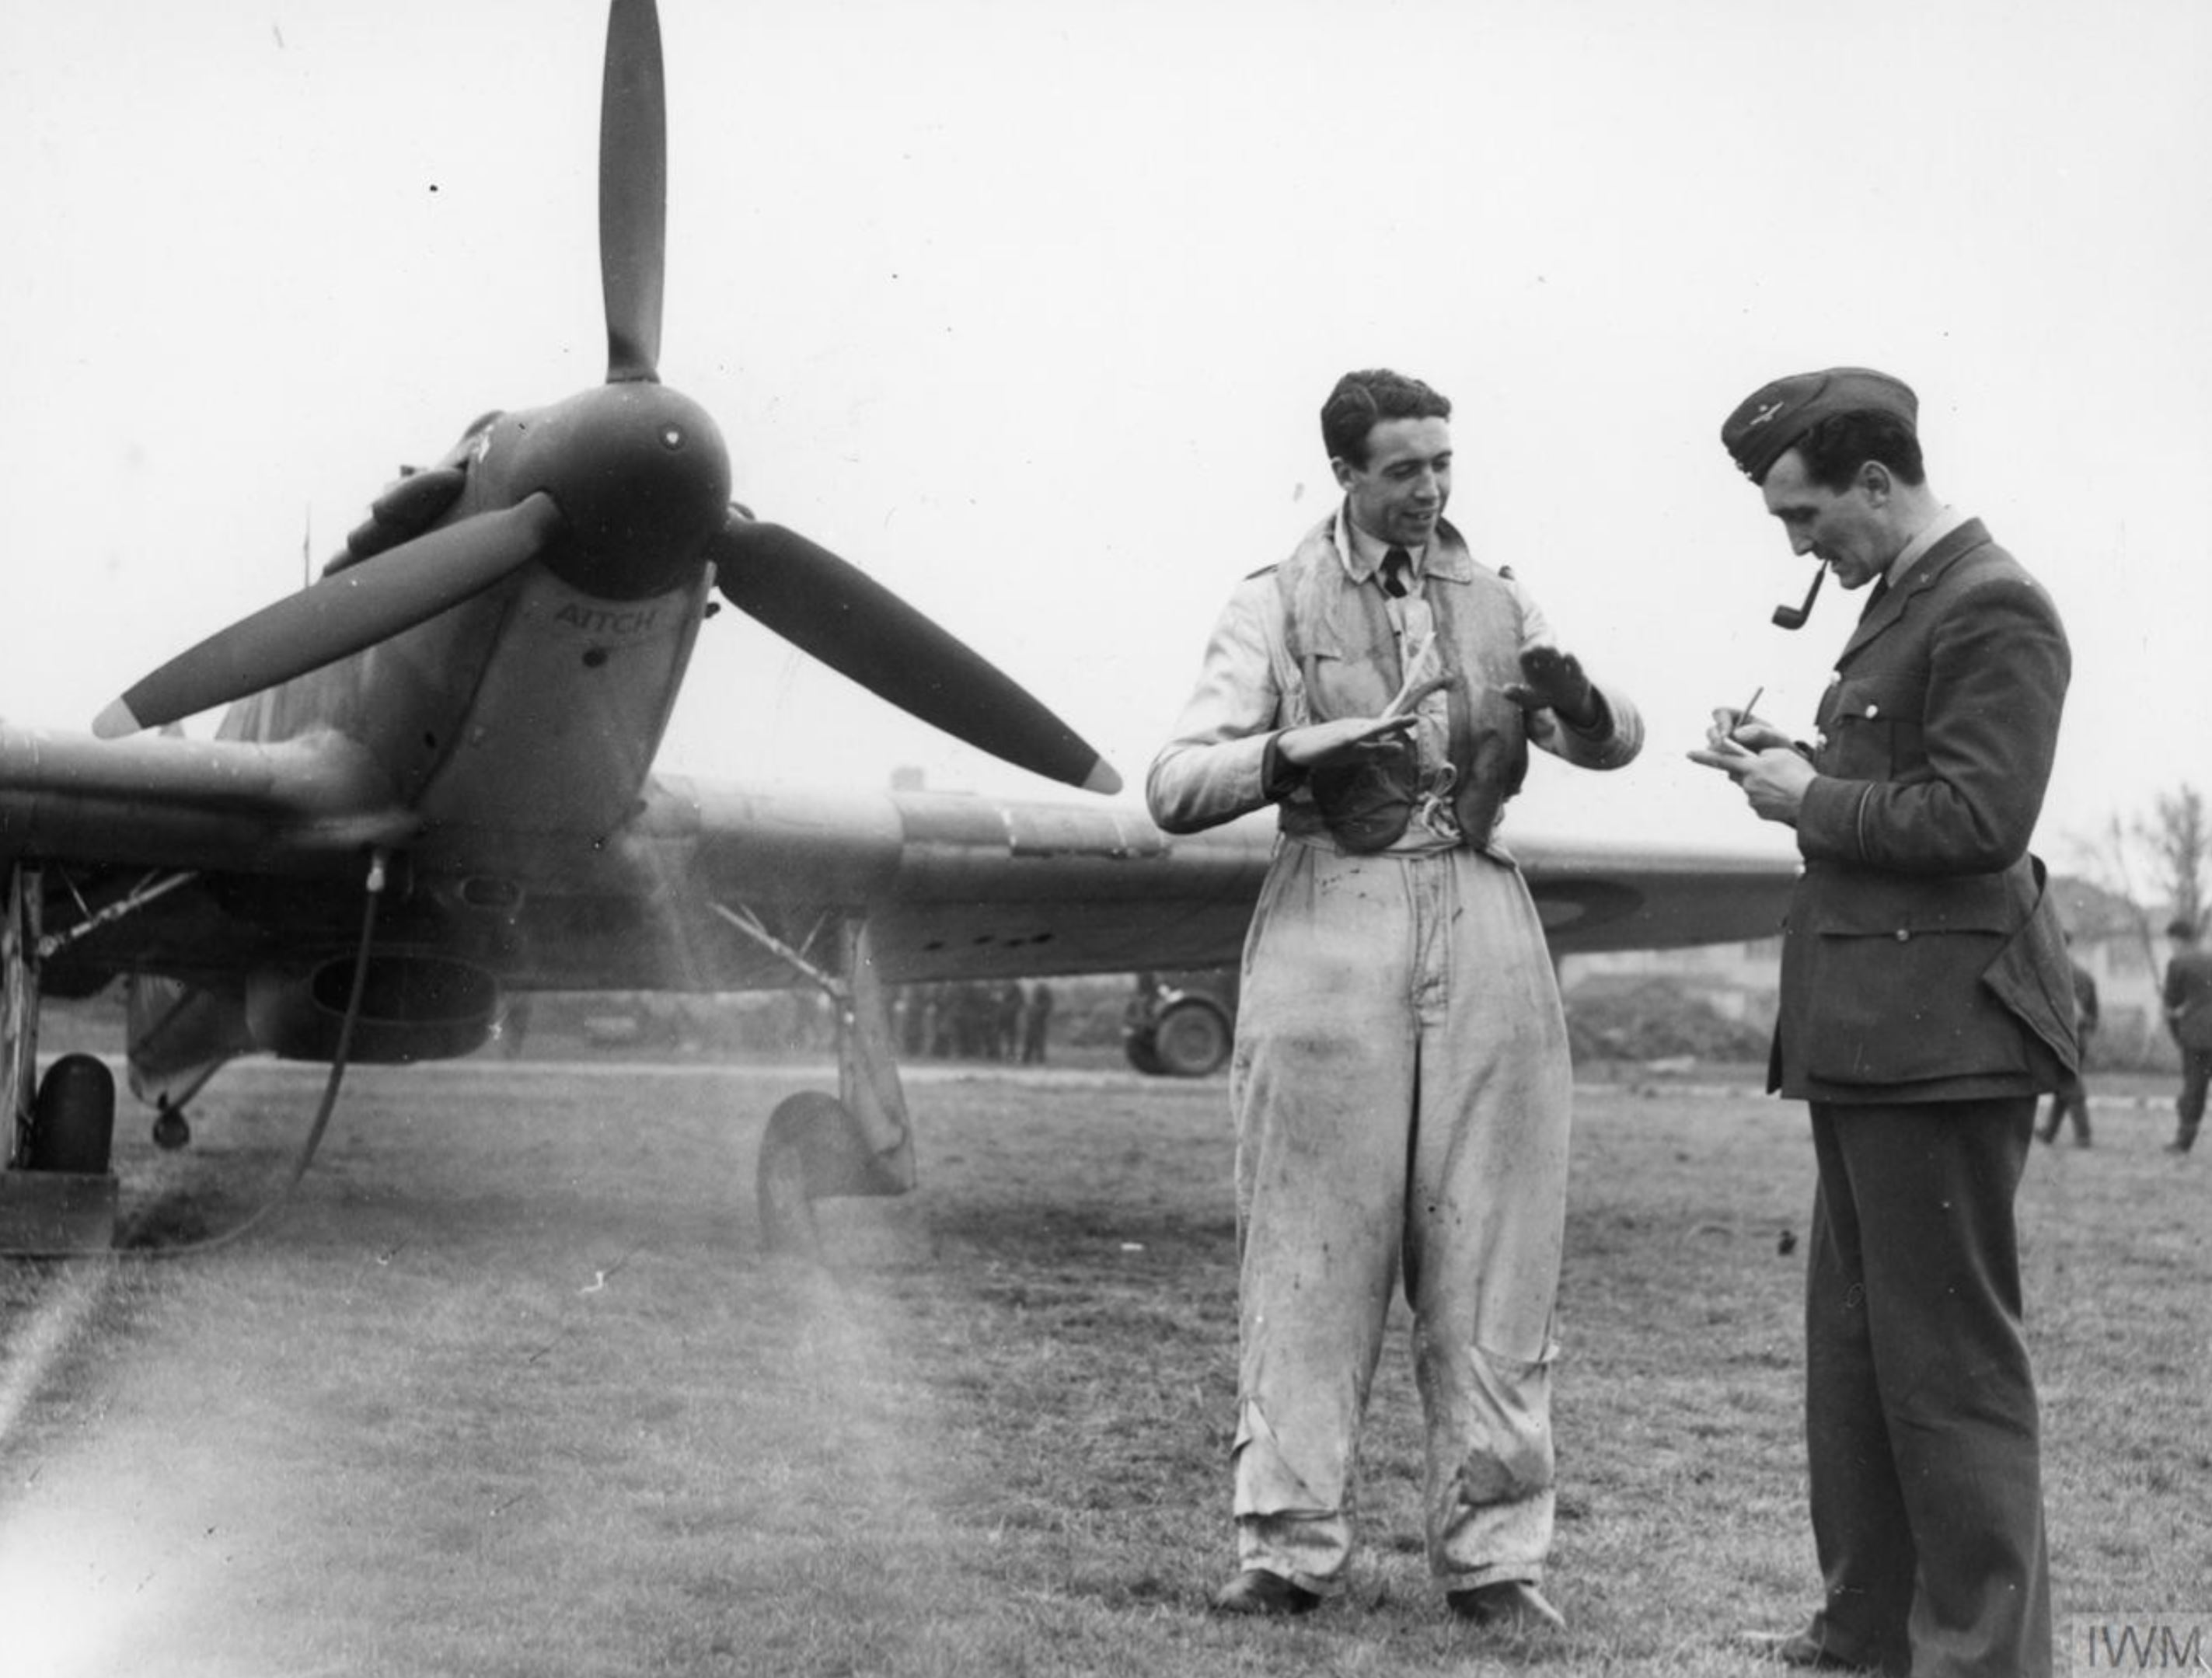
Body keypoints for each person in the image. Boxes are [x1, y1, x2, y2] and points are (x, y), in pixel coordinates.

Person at [1146, 368, 1642, 1631]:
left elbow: (1612, 735)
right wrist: (1298, 748)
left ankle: (1494, 1558)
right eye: (1403, 468)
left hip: (1481, 900)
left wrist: (1579, 697)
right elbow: (1173, 783)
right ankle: (1286, 1543)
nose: (1429, 488)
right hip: (1332, 908)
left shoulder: (1500, 593)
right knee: (1314, 1242)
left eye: (1442, 463)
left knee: (1498, 1241)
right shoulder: (1272, 602)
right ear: (1347, 475)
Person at [1690, 367, 2076, 1677]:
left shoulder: (1992, 603)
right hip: (1876, 1034)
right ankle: (1867, 1629)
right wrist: (1788, 762)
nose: (1799, 546)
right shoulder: (1911, 601)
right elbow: (1903, 778)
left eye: (1806, 516)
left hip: (1940, 1037)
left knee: (1946, 1363)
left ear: (1873, 481)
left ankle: (1978, 1651)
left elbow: (1980, 820)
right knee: (1859, 1357)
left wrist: (1803, 797)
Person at [2036, 933, 2099, 1145]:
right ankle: (2050, 1132)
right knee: (2066, 1082)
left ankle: (2084, 1136)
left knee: (2070, 1083)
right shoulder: (2084, 975)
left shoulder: (2053, 973)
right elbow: (2093, 1013)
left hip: (2060, 1036)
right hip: (2080, 1037)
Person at [2161, 917, 2212, 1154]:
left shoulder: (2178, 963)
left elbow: (2170, 1005)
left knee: (2194, 1090)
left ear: (2177, 939)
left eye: (2171, 941)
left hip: (2196, 1039)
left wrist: (2178, 1036)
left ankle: (2183, 1142)